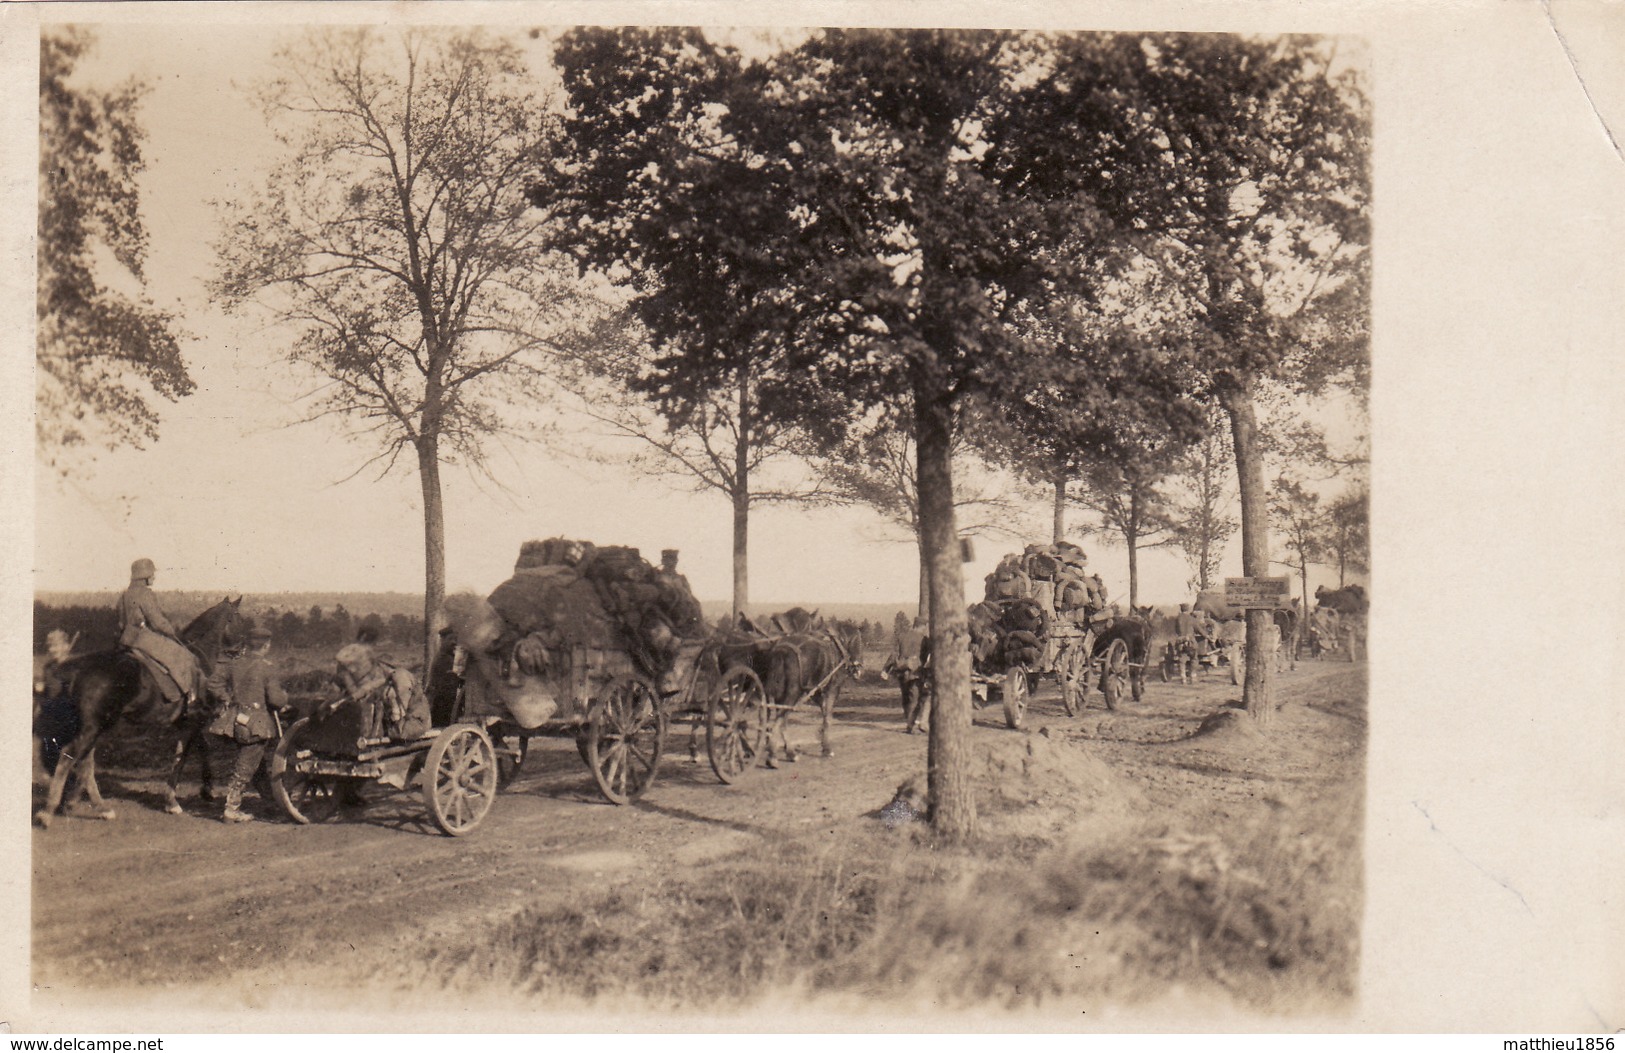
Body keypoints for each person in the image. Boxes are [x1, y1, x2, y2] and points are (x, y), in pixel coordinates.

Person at [205, 626, 289, 823]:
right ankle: (231, 809)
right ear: (266, 645)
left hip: (236, 721)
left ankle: (270, 801)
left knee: (256, 764)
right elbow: (276, 700)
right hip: (257, 725)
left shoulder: (233, 663)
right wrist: (285, 697)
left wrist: (226, 698)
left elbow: (212, 683)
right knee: (245, 767)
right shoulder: (266, 667)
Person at [118, 557, 201, 710]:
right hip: (143, 637)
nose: (154, 577)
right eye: (152, 574)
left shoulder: (126, 594)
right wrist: (172, 633)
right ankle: (188, 698)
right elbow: (157, 621)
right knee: (184, 656)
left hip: (126, 638)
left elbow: (121, 622)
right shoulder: (145, 594)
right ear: (145, 576)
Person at [334, 642, 430, 743]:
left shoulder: (400, 677)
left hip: (412, 722)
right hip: (397, 721)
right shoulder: (384, 679)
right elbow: (366, 689)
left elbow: (402, 706)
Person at [427, 626, 462, 728]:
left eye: (455, 639)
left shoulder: (448, 657)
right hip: (442, 700)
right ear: (442, 640)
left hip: (445, 698)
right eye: (450, 639)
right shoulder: (445, 659)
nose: (454, 643)